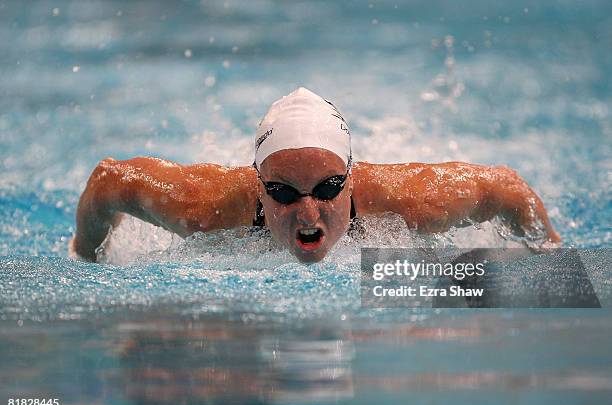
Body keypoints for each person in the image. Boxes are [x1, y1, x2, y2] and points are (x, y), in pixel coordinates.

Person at [71, 87, 560, 263]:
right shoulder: (206, 210)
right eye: (283, 192)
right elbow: (108, 182)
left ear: (350, 177)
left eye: (328, 189)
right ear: (258, 184)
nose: (308, 212)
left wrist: (549, 254)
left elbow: (506, 191)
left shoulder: (409, 204)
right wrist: (87, 257)